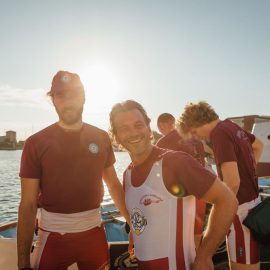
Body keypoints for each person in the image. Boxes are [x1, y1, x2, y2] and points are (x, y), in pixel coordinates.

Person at [17, 71, 130, 270]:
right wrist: (23, 261)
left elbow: (113, 184)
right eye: (60, 94)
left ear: (84, 96)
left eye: (74, 93)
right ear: (52, 100)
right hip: (52, 238)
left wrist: (134, 227)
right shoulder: (36, 143)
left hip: (94, 233)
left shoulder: (101, 137)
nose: (68, 100)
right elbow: (27, 204)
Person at [109, 99, 238, 270]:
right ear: (116, 136)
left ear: (149, 128)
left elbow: (228, 200)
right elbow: (140, 213)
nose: (133, 133)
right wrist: (135, 231)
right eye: (124, 128)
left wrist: (205, 256)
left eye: (138, 125)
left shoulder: (175, 162)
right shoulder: (128, 174)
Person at [178, 101, 264, 270]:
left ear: (198, 121)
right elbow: (258, 146)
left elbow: (232, 183)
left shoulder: (218, 133)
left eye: (194, 132)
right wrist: (248, 170)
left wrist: (219, 213)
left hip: (239, 212)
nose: (197, 137)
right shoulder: (231, 127)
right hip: (253, 206)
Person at [156, 113, 207, 248]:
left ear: (163, 125)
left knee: (179, 239)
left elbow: (156, 174)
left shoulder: (162, 142)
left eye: (160, 126)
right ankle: (198, 260)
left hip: (179, 197)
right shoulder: (195, 140)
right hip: (200, 195)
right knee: (196, 234)